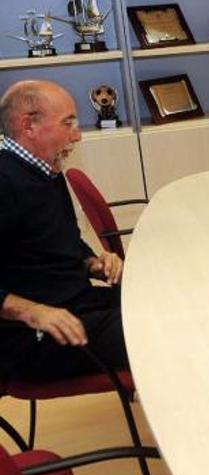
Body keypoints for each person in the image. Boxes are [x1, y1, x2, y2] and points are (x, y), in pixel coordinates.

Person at [0, 80, 128, 382]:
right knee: (167, 330)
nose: (78, 135)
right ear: (28, 125)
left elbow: (52, 242)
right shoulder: (5, 180)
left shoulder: (45, 166)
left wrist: (93, 262)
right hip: (28, 336)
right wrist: (32, 312)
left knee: (168, 299)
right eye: (68, 123)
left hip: (76, 305)